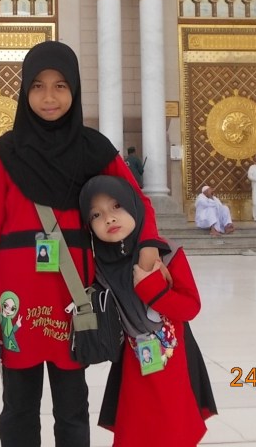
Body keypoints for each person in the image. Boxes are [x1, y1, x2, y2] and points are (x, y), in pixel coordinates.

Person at [0, 41, 162, 447]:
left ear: (74, 90)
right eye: (38, 86)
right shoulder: (6, 152)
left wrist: (149, 243)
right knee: (18, 407)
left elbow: (138, 201)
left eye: (60, 86)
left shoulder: (93, 149)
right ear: (25, 90)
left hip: (72, 296)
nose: (49, 97)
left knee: (73, 406)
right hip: (17, 300)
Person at [79, 175, 215, 446]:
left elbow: (190, 307)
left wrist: (152, 288)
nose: (109, 218)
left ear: (132, 205)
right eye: (96, 214)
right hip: (134, 363)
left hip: (174, 362)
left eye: (116, 206)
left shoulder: (167, 254)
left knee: (172, 428)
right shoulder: (99, 267)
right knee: (136, 428)